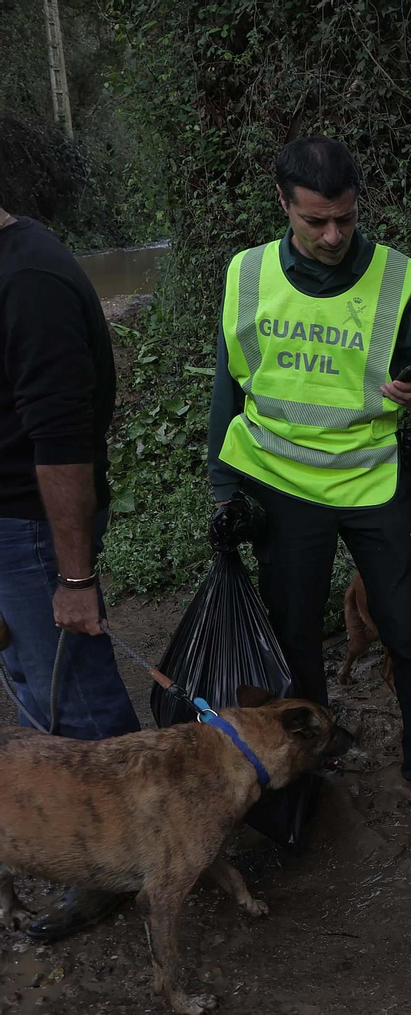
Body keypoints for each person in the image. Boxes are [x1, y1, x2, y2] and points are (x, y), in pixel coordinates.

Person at [207, 137, 411, 839]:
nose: (332, 235)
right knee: (294, 641)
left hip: (373, 483)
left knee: (410, 629)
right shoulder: (247, 275)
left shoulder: (396, 277)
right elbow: (228, 391)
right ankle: (301, 779)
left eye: (345, 219)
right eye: (315, 220)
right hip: (282, 489)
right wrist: (222, 490)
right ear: (283, 204)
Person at [0, 204, 144, 941]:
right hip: (10, 537)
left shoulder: (30, 279)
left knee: (79, 703)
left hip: (33, 535)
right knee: (32, 685)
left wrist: (75, 577)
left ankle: (117, 863)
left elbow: (62, 447)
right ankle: (72, 836)